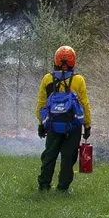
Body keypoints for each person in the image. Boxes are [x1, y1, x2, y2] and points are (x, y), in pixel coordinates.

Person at [35, 45, 92, 192]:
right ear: (73, 61)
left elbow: (41, 103)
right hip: (73, 126)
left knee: (49, 155)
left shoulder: (48, 78)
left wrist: (41, 123)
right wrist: (87, 125)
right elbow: (84, 104)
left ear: (56, 60)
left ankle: (44, 185)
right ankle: (62, 187)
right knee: (68, 157)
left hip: (53, 125)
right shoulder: (78, 80)